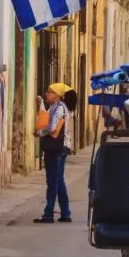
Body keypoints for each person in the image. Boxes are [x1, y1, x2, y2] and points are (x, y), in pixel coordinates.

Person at [33, 83, 78, 223]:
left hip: (55, 148)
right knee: (59, 180)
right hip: (62, 147)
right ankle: (65, 213)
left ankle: (48, 214)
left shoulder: (58, 108)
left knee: (52, 181)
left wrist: (39, 133)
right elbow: (46, 117)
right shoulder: (59, 107)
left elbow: (51, 127)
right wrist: (41, 104)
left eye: (50, 92)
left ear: (57, 95)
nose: (47, 94)